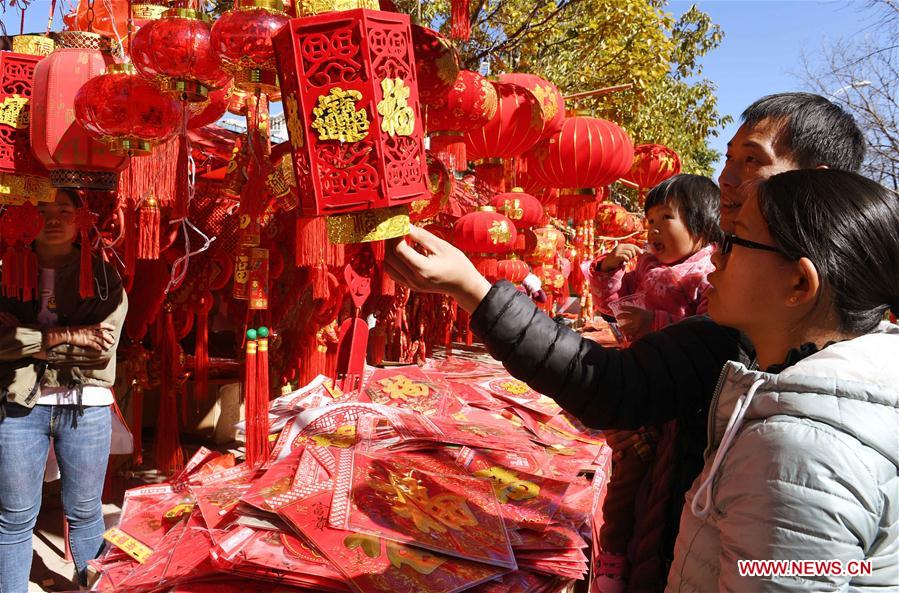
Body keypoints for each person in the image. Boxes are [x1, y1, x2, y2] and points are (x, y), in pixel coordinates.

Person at [384, 92, 867, 592]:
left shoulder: (806, 443)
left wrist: (474, 290)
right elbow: (615, 384)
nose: (725, 181)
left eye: (735, 242)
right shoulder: (745, 344)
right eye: (728, 159)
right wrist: (473, 289)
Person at [668, 169, 897, 590]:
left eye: (733, 241)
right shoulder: (842, 399)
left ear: (798, 283)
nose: (715, 256)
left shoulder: (797, 452)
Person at [581, 174, 721, 590]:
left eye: (667, 217)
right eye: (650, 218)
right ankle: (613, 553)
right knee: (627, 474)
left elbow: (709, 333)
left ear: (701, 225)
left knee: (649, 480)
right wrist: (607, 268)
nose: (654, 228)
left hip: (674, 395)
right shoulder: (646, 266)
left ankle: (629, 556)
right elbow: (612, 301)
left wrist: (656, 321)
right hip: (637, 381)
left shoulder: (708, 272)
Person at [0, 189, 128, 591]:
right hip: (20, 404)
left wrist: (27, 341)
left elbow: (100, 355)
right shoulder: (5, 269)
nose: (53, 220)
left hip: (85, 403)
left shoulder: (103, 275)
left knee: (86, 511)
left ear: (81, 219)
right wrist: (70, 336)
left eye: (63, 210)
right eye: (41, 211)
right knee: (15, 515)